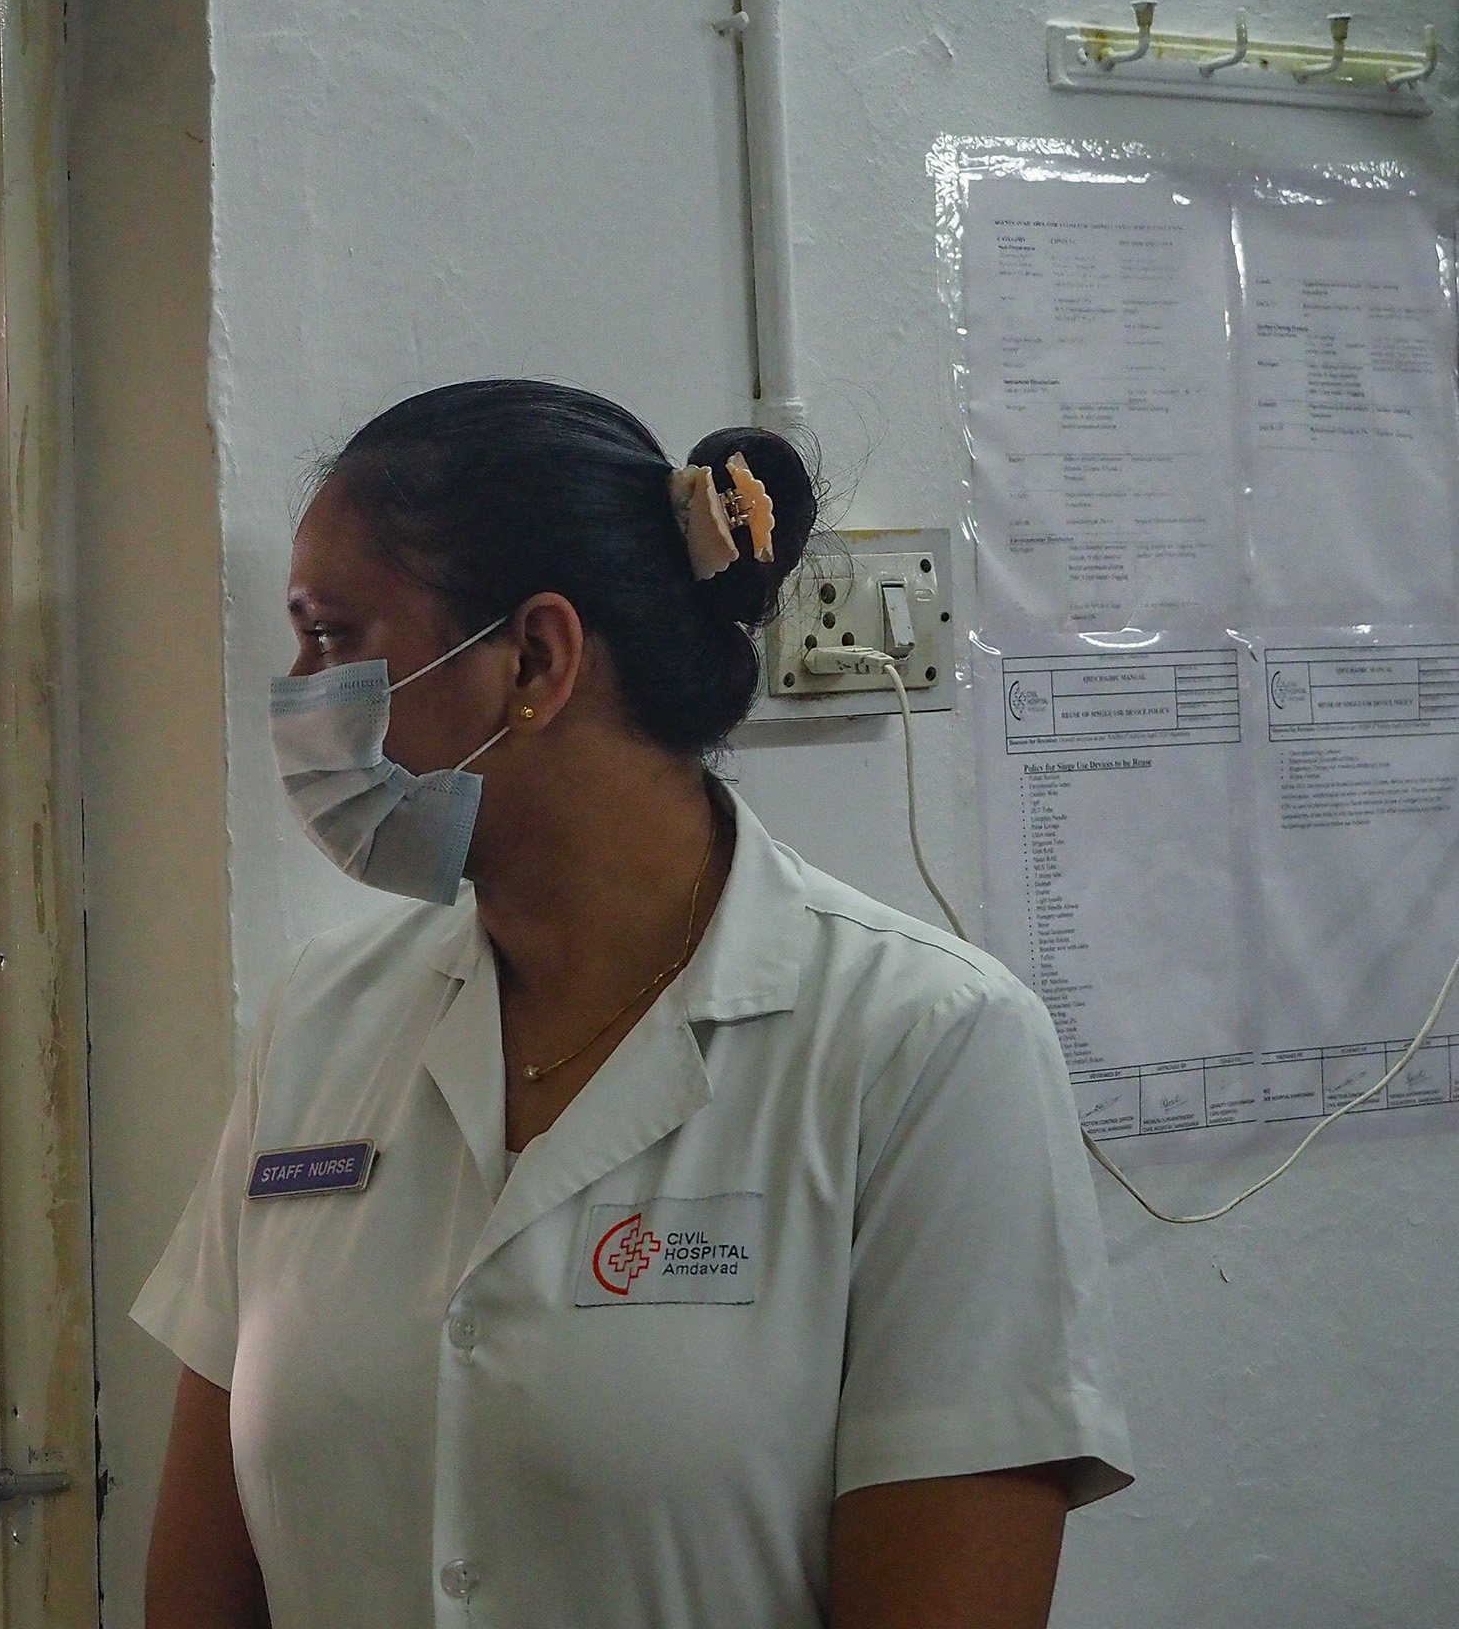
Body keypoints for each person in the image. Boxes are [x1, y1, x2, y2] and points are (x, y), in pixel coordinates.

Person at [136, 380, 1130, 1629]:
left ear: (535, 660)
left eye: (332, 637)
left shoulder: (926, 1049)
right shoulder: (321, 1022)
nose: (297, 696)